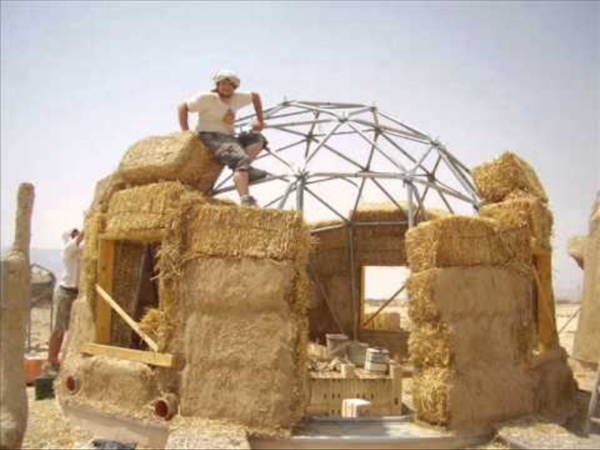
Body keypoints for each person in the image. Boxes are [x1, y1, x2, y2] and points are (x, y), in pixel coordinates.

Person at [178, 69, 268, 207]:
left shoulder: (237, 97)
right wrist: (185, 132)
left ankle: (245, 169)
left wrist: (260, 120)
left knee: (257, 139)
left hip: (228, 136)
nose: (226, 87)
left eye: (230, 85)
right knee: (240, 160)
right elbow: (182, 107)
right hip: (210, 135)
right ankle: (246, 199)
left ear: (234, 87)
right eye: (223, 84)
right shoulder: (206, 97)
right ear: (217, 85)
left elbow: (255, 96)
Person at [46, 228, 84, 374]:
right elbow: (82, 237)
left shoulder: (80, 251)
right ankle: (52, 360)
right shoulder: (68, 249)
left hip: (79, 292)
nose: (77, 234)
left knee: (75, 329)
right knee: (60, 328)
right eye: (74, 233)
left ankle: (67, 359)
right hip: (66, 291)